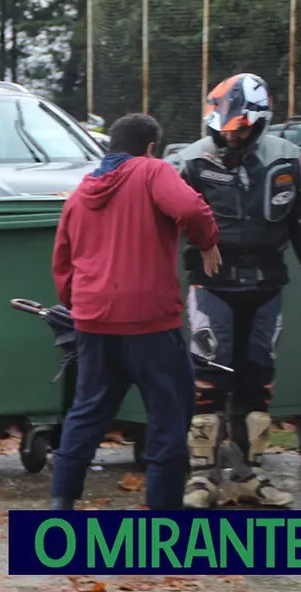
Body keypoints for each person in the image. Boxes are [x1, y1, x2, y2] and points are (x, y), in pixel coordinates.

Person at [177, 73, 301, 509]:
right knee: (208, 383)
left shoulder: (286, 158)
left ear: (260, 121)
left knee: (258, 384)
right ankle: (202, 477)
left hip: (267, 287)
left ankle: (248, 474)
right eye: (223, 129)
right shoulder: (192, 161)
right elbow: (162, 221)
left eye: (239, 128)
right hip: (212, 286)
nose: (229, 138)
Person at [49, 113, 220, 511]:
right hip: (150, 323)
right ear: (149, 148)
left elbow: (63, 259)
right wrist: (207, 241)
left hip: (94, 321)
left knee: (87, 411)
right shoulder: (150, 171)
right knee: (168, 415)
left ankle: (62, 502)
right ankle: (163, 515)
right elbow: (191, 210)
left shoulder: (81, 192)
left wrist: (81, 306)